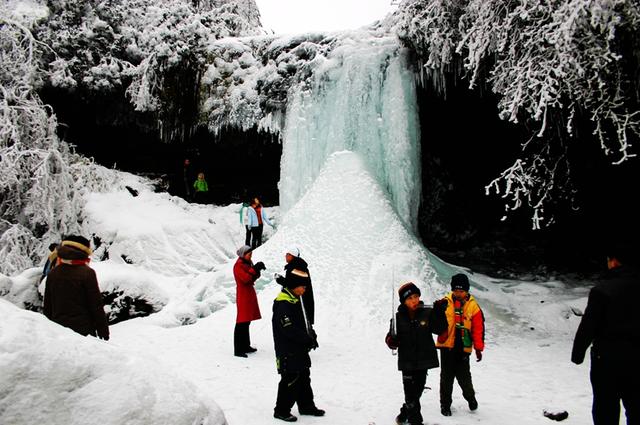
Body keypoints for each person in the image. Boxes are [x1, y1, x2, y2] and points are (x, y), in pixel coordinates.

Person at [571, 253, 639, 425]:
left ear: (614, 261)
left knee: (605, 406)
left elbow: (589, 325)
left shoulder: (602, 290)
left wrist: (578, 354)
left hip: (607, 359)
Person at [385, 282, 448, 425]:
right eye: (409, 298)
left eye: (416, 296)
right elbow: (389, 339)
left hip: (423, 360)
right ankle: (416, 421)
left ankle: (404, 413)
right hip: (407, 362)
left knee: (417, 392)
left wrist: (439, 312)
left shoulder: (428, 313)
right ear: (403, 301)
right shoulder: (397, 318)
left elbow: (441, 330)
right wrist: (392, 340)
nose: (414, 300)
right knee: (410, 395)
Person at [272, 268, 324, 422]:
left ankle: (306, 406)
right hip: (287, 350)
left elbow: (303, 323)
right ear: (294, 285)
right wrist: (306, 339)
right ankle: (281, 410)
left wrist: (311, 335)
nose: (305, 289)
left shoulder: (295, 300)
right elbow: (288, 328)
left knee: (304, 376)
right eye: (303, 286)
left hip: (298, 348)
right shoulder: (283, 304)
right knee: (290, 379)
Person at [435, 273, 485, 417]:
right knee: (446, 378)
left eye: (461, 291)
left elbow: (478, 329)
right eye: (455, 291)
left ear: (467, 291)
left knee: (464, 378)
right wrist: (437, 310)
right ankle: (445, 405)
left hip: (463, 349)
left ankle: (471, 398)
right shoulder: (445, 302)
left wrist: (479, 348)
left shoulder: (473, 307)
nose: (458, 294)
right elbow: (435, 324)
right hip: (446, 347)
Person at [42, 235, 109, 340]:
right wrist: (103, 330)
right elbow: (95, 305)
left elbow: (47, 306)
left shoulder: (53, 273)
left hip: (58, 331)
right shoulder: (87, 273)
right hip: (84, 332)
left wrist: (49, 330)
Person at [233, 245, 266, 357]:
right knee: (241, 322)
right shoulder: (238, 266)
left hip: (248, 294)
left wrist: (257, 270)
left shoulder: (247, 263)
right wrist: (255, 269)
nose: (251, 256)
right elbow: (246, 279)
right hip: (243, 295)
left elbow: (252, 277)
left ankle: (245, 345)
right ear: (243, 254)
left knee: (246, 321)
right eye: (249, 254)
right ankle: (238, 349)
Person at [276, 247, 315, 325]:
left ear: (292, 255)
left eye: (287, 254)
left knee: (301, 325)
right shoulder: (297, 266)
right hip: (301, 302)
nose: (285, 256)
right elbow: (295, 282)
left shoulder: (297, 267)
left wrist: (281, 281)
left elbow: (296, 285)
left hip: (301, 302)